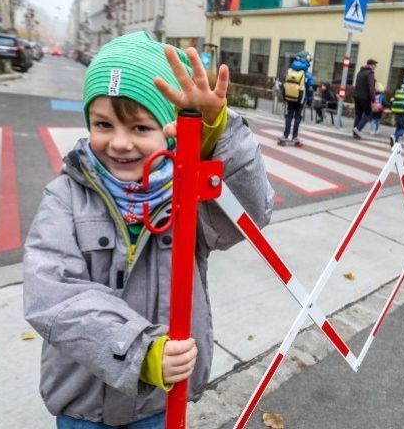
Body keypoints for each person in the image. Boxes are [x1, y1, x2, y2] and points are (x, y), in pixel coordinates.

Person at [22, 31, 274, 428]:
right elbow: (52, 294)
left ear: (170, 130)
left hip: (158, 405)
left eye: (140, 128)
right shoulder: (65, 196)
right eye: (103, 124)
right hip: (84, 407)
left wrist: (215, 134)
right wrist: (141, 351)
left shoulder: (186, 193)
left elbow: (249, 214)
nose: (119, 143)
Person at [281, 50, 314, 146]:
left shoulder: (290, 70)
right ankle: (294, 136)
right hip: (300, 99)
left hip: (290, 97)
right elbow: (310, 88)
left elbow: (285, 82)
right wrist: (309, 101)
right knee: (297, 117)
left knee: (289, 116)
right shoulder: (306, 73)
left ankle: (285, 135)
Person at [352, 58, 378, 139]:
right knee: (368, 114)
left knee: (358, 114)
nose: (375, 67)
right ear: (371, 65)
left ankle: (355, 133)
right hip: (364, 97)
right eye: (374, 65)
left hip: (356, 96)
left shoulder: (360, 72)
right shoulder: (370, 73)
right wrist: (373, 99)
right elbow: (371, 87)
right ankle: (358, 129)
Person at [389, 78, 404, 146]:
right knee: (403, 128)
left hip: (397, 110)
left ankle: (395, 141)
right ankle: (394, 136)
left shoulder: (401, 89)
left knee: (398, 126)